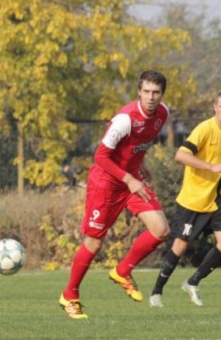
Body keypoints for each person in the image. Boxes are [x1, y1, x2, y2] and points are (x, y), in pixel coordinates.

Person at [59, 70, 171, 319]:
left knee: (161, 230)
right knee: (95, 242)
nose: (151, 97)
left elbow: (135, 145)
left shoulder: (162, 114)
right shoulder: (124, 119)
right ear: (138, 92)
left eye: (156, 92)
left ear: (162, 94)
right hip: (106, 183)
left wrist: (139, 166)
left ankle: (122, 271)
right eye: (146, 92)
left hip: (131, 181)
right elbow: (100, 156)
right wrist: (129, 178)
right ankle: (70, 295)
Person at [150, 91, 221, 307]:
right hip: (193, 200)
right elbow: (181, 155)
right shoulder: (204, 129)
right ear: (214, 107)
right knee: (180, 247)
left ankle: (193, 282)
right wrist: (210, 167)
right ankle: (156, 292)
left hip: (215, 198)